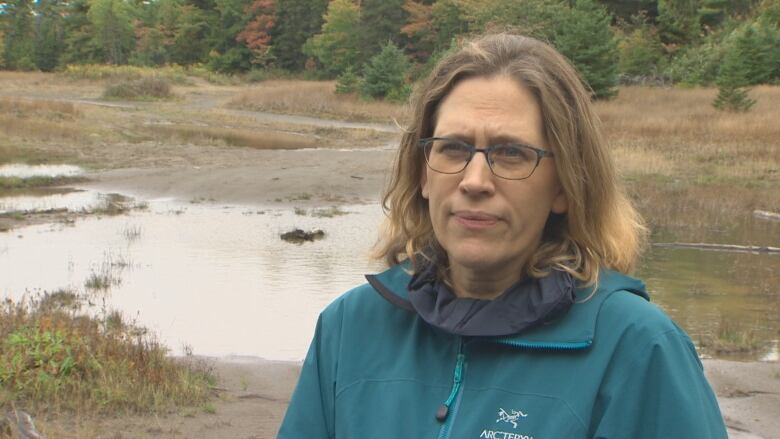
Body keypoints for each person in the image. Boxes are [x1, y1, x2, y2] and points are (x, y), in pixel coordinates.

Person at [277, 33, 727, 438]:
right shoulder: (350, 328)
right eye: (453, 148)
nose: (474, 180)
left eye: (511, 153)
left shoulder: (637, 348)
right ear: (423, 175)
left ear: (565, 185)